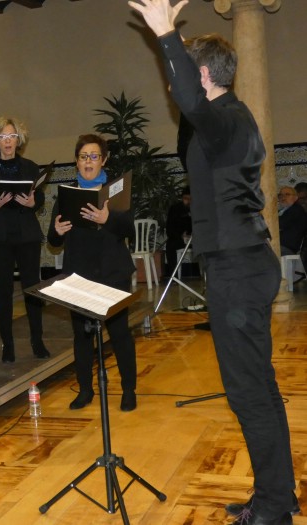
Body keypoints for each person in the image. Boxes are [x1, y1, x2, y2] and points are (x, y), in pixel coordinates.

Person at [129, 1, 296, 523]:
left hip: (236, 268)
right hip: (249, 260)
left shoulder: (221, 117)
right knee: (260, 388)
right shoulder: (235, 116)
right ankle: (279, 494)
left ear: (203, 74)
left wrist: (165, 35)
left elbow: (185, 99)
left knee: (248, 393)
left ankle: (272, 509)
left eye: (189, 73)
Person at [47, 134, 137, 412]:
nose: (89, 161)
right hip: (80, 275)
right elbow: (54, 238)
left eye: (94, 156)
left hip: (113, 272)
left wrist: (107, 219)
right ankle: (85, 389)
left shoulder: (115, 193)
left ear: (104, 160)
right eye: (84, 156)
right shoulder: (66, 195)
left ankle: (128, 390)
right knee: (82, 336)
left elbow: (128, 229)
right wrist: (57, 231)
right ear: (77, 161)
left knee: (120, 333)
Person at [0, 116, 49, 363]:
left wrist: (33, 202)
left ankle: (37, 340)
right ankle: (7, 345)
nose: (7, 141)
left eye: (11, 136)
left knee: (33, 289)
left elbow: (38, 197)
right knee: (3, 292)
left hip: (26, 235)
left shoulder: (30, 166)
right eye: (2, 137)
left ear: (18, 139)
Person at [165, 185, 192, 275]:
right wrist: (180, 236)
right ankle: (174, 275)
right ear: (182, 198)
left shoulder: (198, 208)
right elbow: (170, 229)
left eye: (190, 199)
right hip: (179, 239)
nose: (188, 201)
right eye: (186, 198)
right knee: (170, 245)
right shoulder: (175, 209)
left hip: (194, 239)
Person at [277, 186, 307, 256]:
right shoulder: (282, 211)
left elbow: (280, 224)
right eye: (280, 195)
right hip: (280, 247)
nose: (283, 197)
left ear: (295, 198)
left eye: (287, 194)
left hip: (285, 248)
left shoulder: (296, 209)